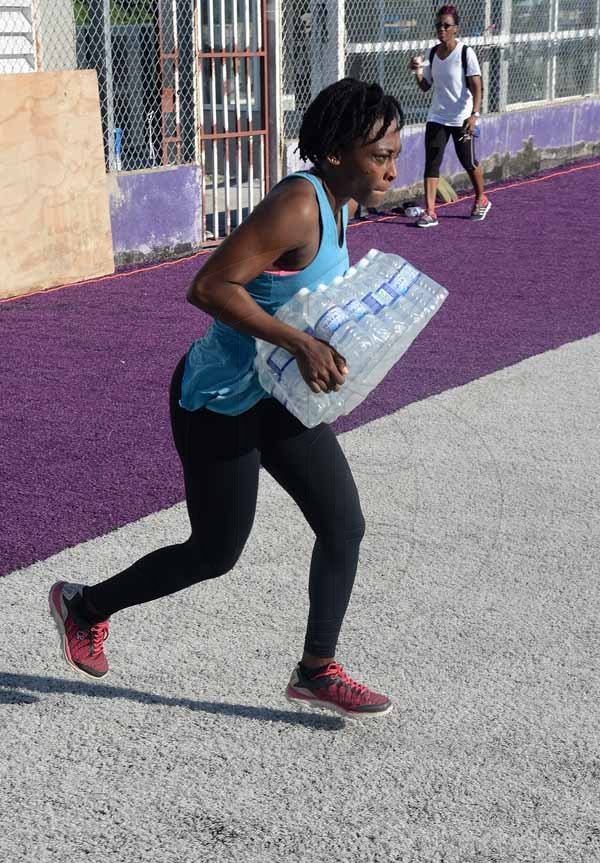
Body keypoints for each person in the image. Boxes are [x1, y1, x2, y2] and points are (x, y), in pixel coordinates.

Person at [48, 78, 403, 719]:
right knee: (214, 552)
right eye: (380, 156)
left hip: (279, 397)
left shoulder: (345, 206)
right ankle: (84, 605)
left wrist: (334, 342)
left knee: (343, 524)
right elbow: (209, 286)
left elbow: (299, 295)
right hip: (218, 400)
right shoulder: (298, 205)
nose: (391, 168)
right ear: (334, 153)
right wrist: (298, 343)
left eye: (395, 154)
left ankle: (317, 669)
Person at [409, 4, 491, 226]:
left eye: (446, 25)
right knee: (431, 163)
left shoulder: (466, 53)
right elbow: (426, 86)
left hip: (462, 118)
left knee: (468, 161)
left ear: (456, 28)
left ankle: (481, 198)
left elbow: (477, 86)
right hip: (437, 117)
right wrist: (417, 70)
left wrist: (474, 115)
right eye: (438, 25)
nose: (441, 29)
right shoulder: (433, 53)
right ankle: (430, 212)